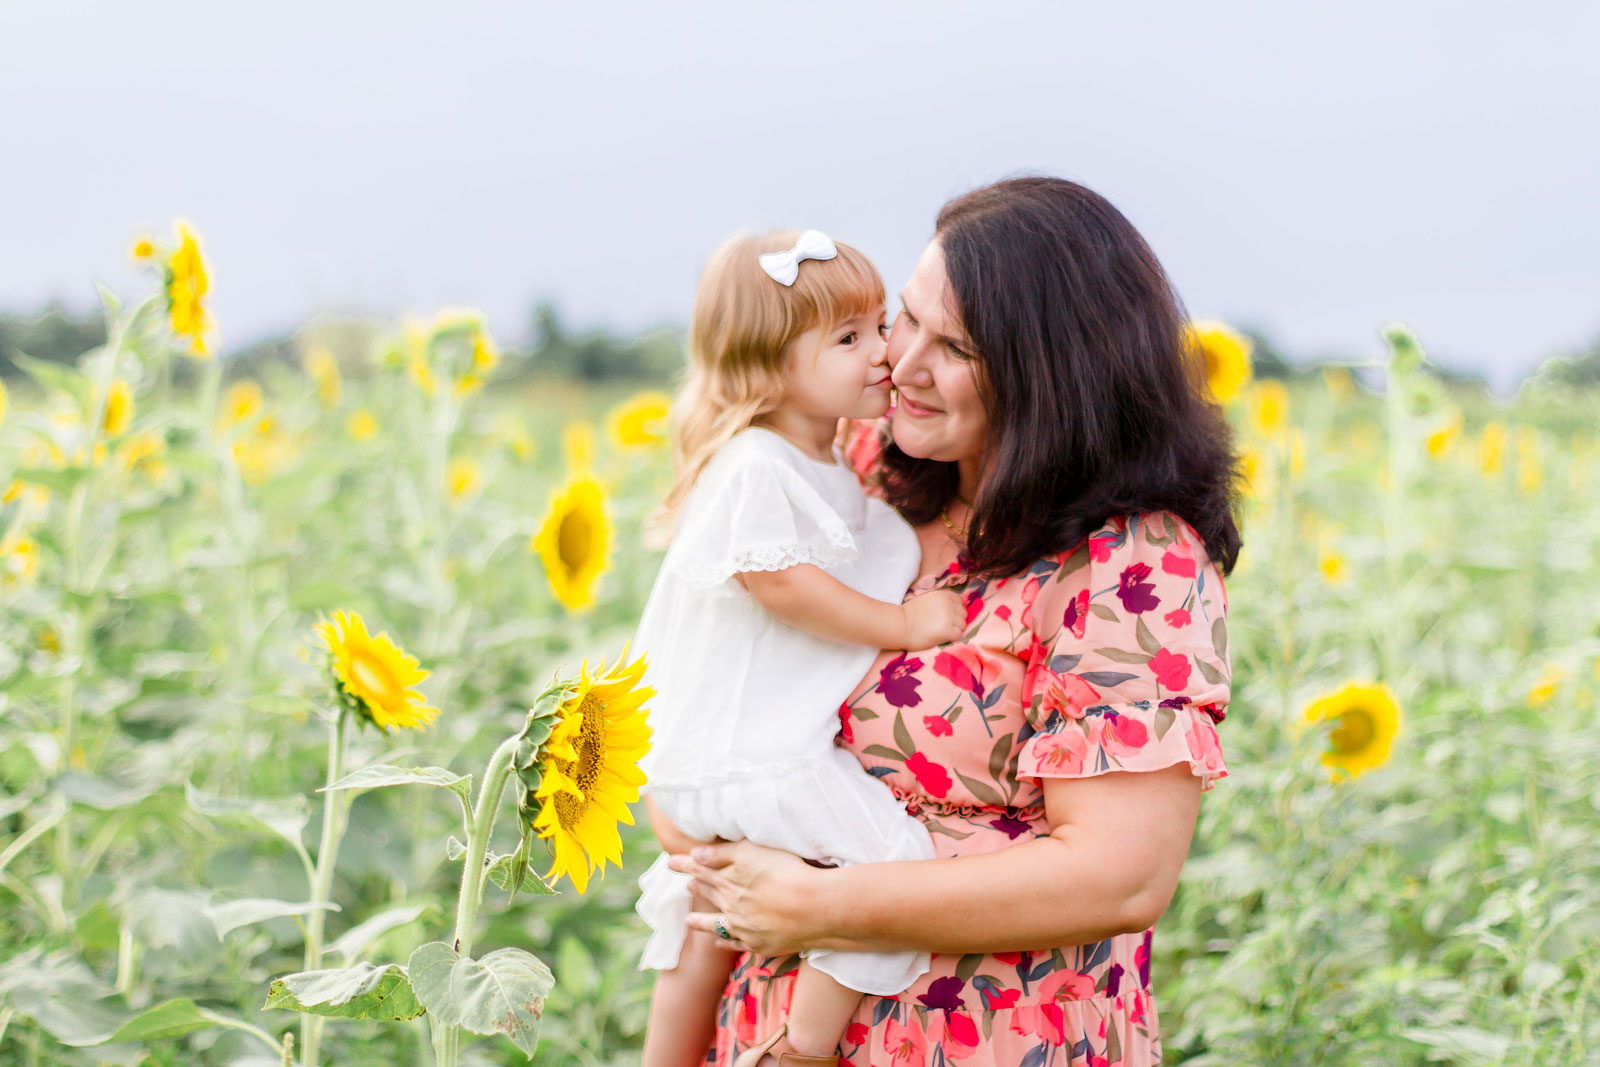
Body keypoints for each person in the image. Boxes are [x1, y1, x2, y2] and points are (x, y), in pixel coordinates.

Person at [659, 176, 1241, 1065]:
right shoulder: (856, 477)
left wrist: (821, 906)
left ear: (1053, 373)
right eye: (903, 319)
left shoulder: (1131, 564)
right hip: (756, 1027)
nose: (902, 363)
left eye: (955, 347)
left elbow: (1119, 873)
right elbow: (711, 651)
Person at [632, 228, 970, 1067]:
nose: (883, 355)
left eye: (877, 324)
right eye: (847, 339)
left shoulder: (819, 461)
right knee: (889, 868)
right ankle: (803, 1049)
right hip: (760, 758)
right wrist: (901, 625)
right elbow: (777, 581)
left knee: (701, 923)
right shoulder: (758, 464)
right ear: (770, 363)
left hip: (729, 756)